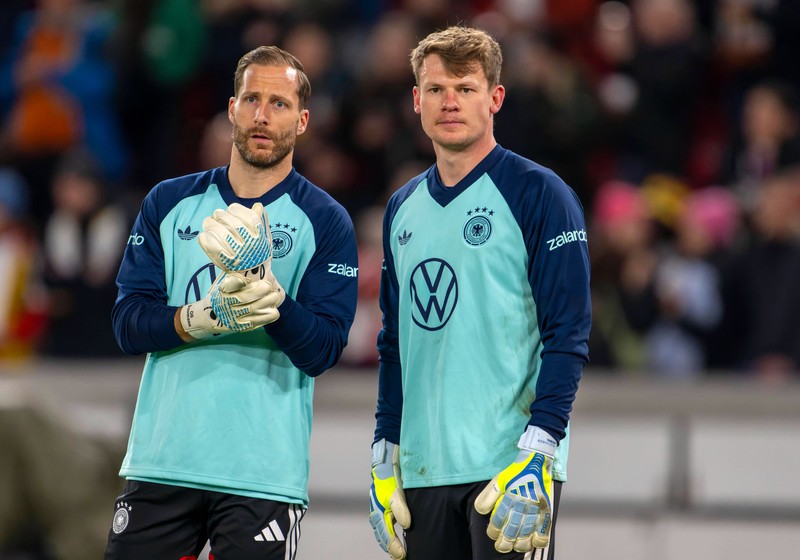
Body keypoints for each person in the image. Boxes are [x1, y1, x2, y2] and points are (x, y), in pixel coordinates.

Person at [105, 46, 358, 560]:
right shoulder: (167, 202)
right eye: (251, 99)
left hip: (262, 474)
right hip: (162, 462)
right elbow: (127, 324)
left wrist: (272, 299)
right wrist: (200, 317)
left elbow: (324, 349)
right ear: (231, 109)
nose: (262, 115)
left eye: (279, 103)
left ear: (303, 120)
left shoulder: (326, 220)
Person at [368, 26, 591, 560]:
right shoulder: (401, 208)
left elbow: (568, 334)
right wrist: (383, 454)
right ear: (416, 100)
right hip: (422, 470)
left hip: (512, 471)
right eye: (437, 89)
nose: (450, 102)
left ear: (495, 98)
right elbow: (394, 343)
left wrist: (542, 449)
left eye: (465, 88)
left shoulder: (541, 193)